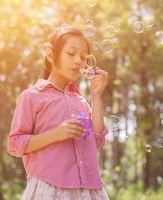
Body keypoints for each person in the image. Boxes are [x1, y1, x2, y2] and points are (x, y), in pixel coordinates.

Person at [7, 25, 110, 199]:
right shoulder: (32, 97)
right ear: (50, 54)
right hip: (50, 188)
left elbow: (97, 138)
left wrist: (96, 96)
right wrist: (56, 134)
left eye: (84, 57)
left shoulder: (82, 102)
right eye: (71, 53)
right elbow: (15, 144)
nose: (79, 61)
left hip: (88, 190)